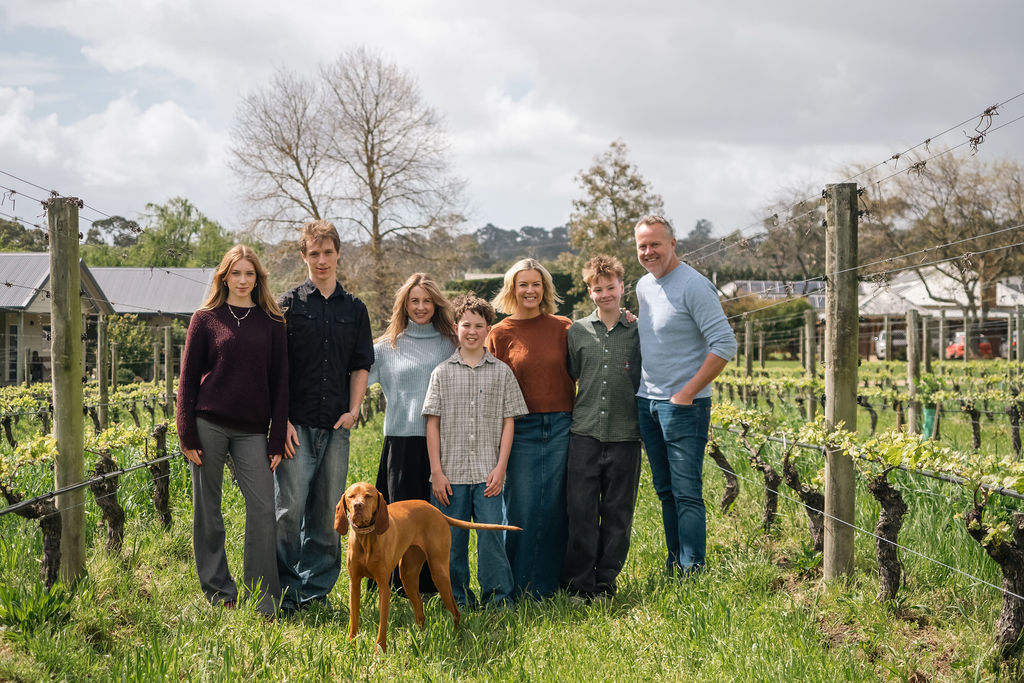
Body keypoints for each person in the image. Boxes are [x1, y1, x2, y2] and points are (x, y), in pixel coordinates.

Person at [176, 244, 288, 617]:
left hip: (253, 431)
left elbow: (280, 383)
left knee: (262, 510)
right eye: (236, 273)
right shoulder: (205, 318)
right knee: (208, 509)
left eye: (249, 274)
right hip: (208, 423)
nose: (242, 280)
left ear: (258, 279)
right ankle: (219, 590)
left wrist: (275, 438)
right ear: (224, 276)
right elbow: (188, 381)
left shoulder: (273, 323)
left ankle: (263, 598)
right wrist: (186, 432)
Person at [275, 219, 374, 613]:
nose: (321, 260)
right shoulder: (287, 305)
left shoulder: (355, 309)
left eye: (327, 253)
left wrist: (353, 411)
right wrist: (279, 420)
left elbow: (361, 364)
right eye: (313, 253)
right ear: (304, 255)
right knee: (288, 510)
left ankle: (314, 592)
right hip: (295, 426)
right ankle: (283, 591)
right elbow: (276, 368)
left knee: (327, 515)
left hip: (336, 427)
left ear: (338, 254)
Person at [633, 215, 736, 574]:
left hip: (683, 406)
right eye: (642, 246)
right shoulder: (643, 287)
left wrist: (687, 393)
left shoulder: (694, 285)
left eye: (655, 244)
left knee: (687, 492)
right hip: (647, 403)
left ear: (673, 244)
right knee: (664, 490)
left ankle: (694, 570)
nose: (648, 252)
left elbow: (724, 344)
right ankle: (674, 561)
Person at [423, 295, 528, 608]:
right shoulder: (441, 373)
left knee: (491, 539)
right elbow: (432, 425)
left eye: (479, 326)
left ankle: (498, 597)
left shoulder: (502, 373)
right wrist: (436, 472)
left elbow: (509, 423)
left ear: (488, 329)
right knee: (450, 542)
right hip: (449, 477)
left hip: (488, 475)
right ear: (456, 328)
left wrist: (501, 467)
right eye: (466, 325)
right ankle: (455, 598)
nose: (472, 331)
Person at [486, 258, 574, 599]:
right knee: (519, 507)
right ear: (512, 289)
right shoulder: (499, 333)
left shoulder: (564, 327)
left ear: (545, 289)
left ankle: (548, 587)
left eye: (536, 284)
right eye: (523, 284)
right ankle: (515, 586)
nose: (530, 290)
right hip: (518, 429)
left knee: (554, 507)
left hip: (562, 426)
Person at [368, 272, 458, 593]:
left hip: (440, 446)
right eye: (414, 301)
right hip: (401, 446)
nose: (420, 307)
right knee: (400, 523)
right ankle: (395, 585)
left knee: (432, 523)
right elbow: (352, 377)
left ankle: (434, 586)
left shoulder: (452, 344)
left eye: (427, 301)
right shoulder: (386, 347)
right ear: (403, 304)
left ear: (436, 304)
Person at [562, 255, 642, 602]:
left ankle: (606, 582)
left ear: (622, 287)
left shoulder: (640, 330)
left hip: (626, 435)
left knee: (617, 513)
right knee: (580, 511)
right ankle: (580, 583)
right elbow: (573, 371)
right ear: (589, 291)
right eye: (598, 288)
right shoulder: (577, 331)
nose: (605, 293)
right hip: (585, 433)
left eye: (611, 287)